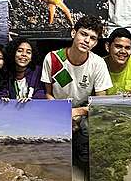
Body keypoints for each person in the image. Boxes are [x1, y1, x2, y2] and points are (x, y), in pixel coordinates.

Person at [42, 16, 113, 165]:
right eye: (83, 34)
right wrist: (64, 114)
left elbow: (100, 103)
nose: (87, 40)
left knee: (84, 157)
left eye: (93, 38)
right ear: (73, 33)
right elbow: (48, 94)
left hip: (83, 111)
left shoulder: (98, 63)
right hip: (57, 110)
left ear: (95, 43)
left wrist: (78, 113)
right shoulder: (53, 58)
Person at [102, 28, 131, 96]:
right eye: (118, 46)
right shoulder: (99, 65)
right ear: (107, 47)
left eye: (127, 48)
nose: (123, 51)